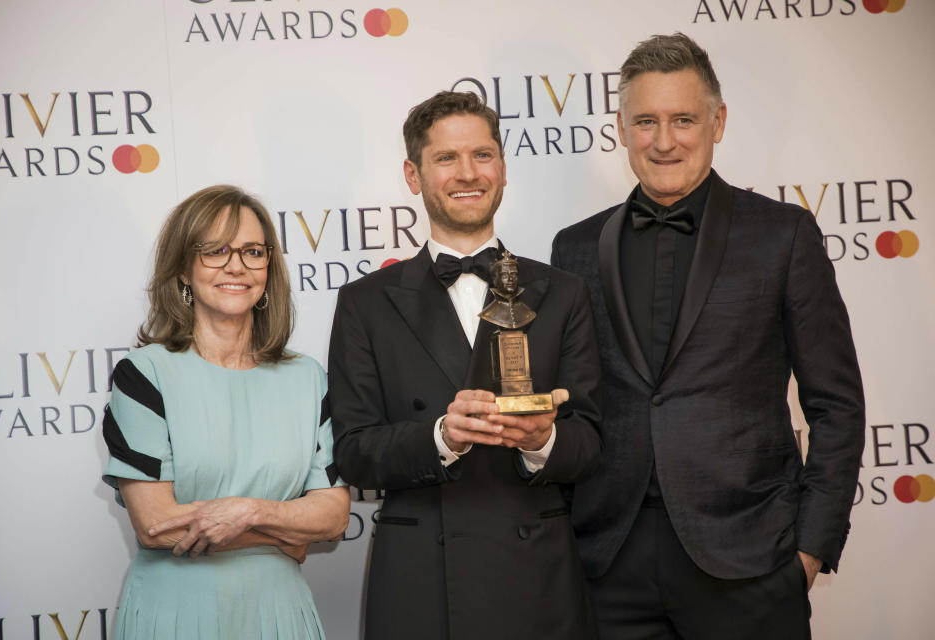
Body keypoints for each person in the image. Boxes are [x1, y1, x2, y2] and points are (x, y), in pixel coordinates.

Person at [551, 33, 865, 639]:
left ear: (717, 122)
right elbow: (572, 407)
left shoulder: (783, 236)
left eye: (682, 120)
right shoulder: (575, 247)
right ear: (620, 128)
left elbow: (836, 403)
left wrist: (808, 550)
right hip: (609, 564)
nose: (663, 141)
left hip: (751, 560)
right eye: (646, 121)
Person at [328, 91, 602, 639]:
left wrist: (540, 440)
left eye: (482, 155)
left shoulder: (564, 292)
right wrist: (440, 437)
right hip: (421, 581)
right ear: (414, 174)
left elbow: (591, 440)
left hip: (537, 580)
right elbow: (354, 452)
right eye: (446, 158)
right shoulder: (366, 302)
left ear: (502, 167)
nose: (467, 173)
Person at [101, 185, 349, 640]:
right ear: (183, 269)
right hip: (175, 616)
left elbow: (332, 517)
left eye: (253, 251)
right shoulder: (144, 375)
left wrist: (248, 510)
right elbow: (157, 525)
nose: (236, 266)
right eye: (215, 251)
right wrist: (283, 534)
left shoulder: (308, 378)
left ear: (268, 267)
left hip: (281, 615)